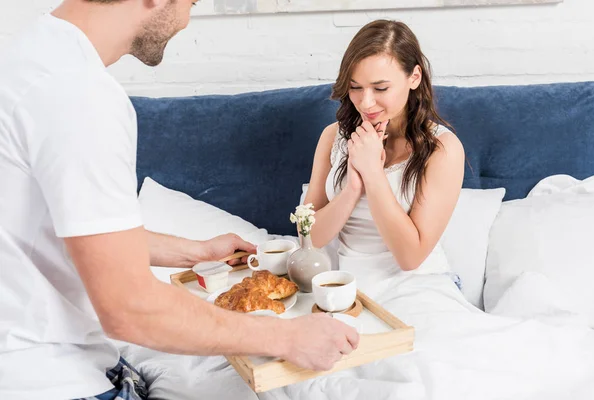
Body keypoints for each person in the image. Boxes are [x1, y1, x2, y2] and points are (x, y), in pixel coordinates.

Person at [0, 1, 359, 399]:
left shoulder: (29, 55)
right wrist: (287, 337)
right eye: (190, 3)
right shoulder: (80, 96)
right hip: (52, 381)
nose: (187, 20)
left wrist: (196, 252)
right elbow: (130, 309)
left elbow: (77, 231)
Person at [304, 20, 465, 294]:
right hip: (345, 286)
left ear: (414, 77)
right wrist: (353, 188)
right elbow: (309, 237)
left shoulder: (443, 149)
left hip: (418, 286)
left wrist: (372, 173)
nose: (366, 102)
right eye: (355, 87)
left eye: (380, 89)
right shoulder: (333, 137)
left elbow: (410, 257)